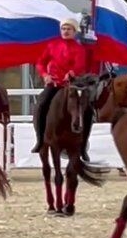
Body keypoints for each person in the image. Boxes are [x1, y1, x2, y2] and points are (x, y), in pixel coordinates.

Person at [31, 18, 92, 162]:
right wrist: (45, 75)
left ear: (74, 32)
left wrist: (72, 73)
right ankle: (40, 140)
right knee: (41, 104)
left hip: (71, 85)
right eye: (63, 28)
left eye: (69, 29)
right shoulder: (52, 45)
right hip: (53, 84)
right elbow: (40, 62)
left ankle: (82, 146)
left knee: (88, 110)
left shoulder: (79, 49)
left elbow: (80, 65)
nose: (65, 31)